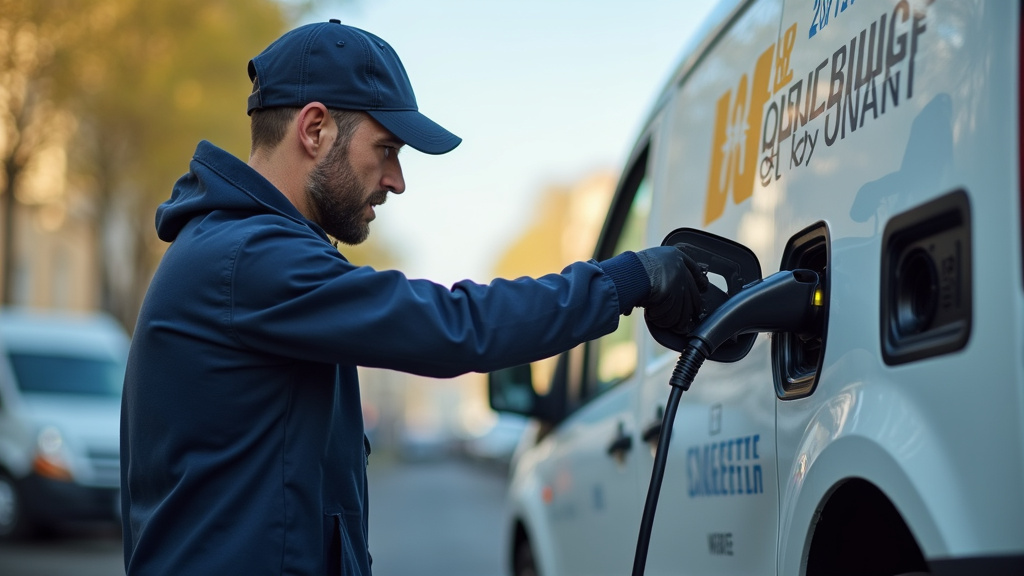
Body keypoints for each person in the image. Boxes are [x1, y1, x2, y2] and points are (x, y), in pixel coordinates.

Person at [120, 19, 707, 576]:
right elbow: (454, 326)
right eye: (388, 149)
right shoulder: (249, 259)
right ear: (314, 128)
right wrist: (628, 279)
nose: (398, 179)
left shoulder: (240, 249)